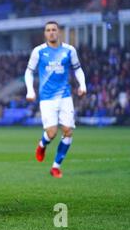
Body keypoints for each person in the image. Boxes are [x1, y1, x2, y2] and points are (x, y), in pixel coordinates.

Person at [25, 21, 87, 178]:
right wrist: (30, 90)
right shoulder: (38, 51)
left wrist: (83, 85)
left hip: (65, 96)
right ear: (45, 33)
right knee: (51, 133)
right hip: (46, 98)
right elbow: (29, 72)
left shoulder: (69, 50)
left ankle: (55, 167)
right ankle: (42, 144)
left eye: (54, 30)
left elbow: (78, 69)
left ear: (58, 32)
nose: (51, 32)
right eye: (48, 30)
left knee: (68, 131)